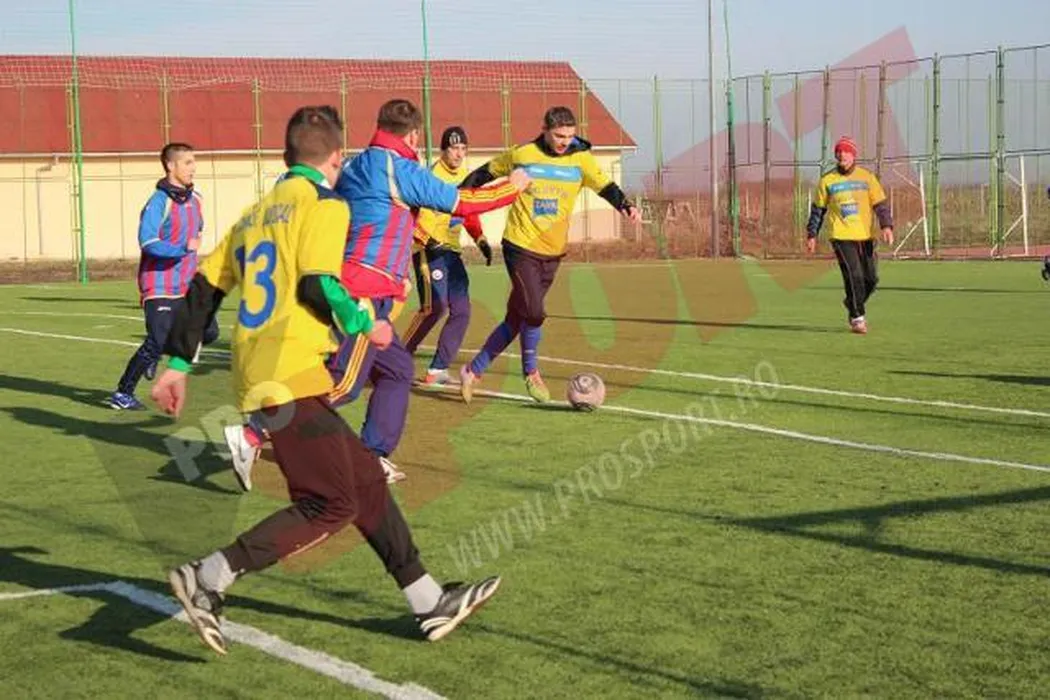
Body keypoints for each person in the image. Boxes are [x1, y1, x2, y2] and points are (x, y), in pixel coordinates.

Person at [153, 106, 503, 655]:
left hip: (267, 371)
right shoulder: (324, 205)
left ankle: (428, 601)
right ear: (337, 158)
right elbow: (319, 285)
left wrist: (176, 364)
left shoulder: (255, 213)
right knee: (331, 503)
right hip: (289, 374)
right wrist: (367, 322)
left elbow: (204, 286)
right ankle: (207, 577)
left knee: (366, 481)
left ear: (285, 156)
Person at [323, 99, 527, 478]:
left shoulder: (354, 164)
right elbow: (463, 202)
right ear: (414, 135)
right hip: (365, 288)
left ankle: (371, 454)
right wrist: (512, 188)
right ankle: (256, 429)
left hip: (360, 283)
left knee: (398, 370)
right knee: (344, 384)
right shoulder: (399, 169)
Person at [456, 106, 641, 403]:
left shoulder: (581, 159)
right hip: (520, 246)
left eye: (569, 136)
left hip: (553, 253)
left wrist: (625, 205)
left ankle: (472, 370)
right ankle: (531, 372)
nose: (564, 141)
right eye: (558, 136)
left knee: (517, 318)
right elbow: (484, 173)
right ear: (545, 130)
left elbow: (604, 186)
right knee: (534, 312)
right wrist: (455, 198)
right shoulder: (523, 154)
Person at [106, 142, 219, 410]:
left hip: (187, 283)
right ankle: (123, 393)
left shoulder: (197, 200)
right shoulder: (158, 202)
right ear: (171, 165)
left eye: (194, 162)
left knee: (210, 331)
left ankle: (159, 353)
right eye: (188, 162)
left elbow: (196, 231)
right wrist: (182, 249)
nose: (193, 168)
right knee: (156, 341)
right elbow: (148, 242)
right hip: (159, 284)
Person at [403, 126, 494, 387]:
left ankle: (437, 370)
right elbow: (413, 217)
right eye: (454, 148)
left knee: (462, 311)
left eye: (463, 148)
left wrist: (480, 239)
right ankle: (395, 359)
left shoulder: (466, 178)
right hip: (428, 250)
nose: (459, 153)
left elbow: (468, 212)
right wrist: (426, 239)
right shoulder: (430, 177)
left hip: (452, 252)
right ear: (443, 150)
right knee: (434, 308)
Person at [805, 136, 894, 334]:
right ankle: (857, 317)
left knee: (870, 280)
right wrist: (812, 234)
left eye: (846, 151)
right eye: (839, 151)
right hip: (841, 236)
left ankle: (851, 302)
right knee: (854, 275)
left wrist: (886, 226)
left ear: (853, 155)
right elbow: (818, 210)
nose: (842, 155)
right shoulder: (827, 180)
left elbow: (880, 205)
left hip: (865, 236)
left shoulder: (867, 178)